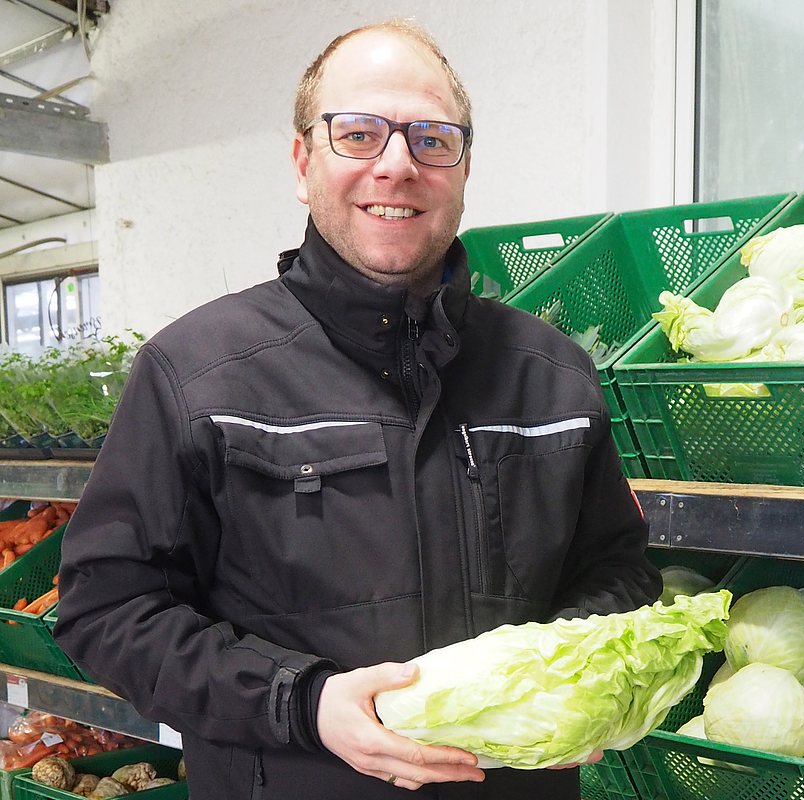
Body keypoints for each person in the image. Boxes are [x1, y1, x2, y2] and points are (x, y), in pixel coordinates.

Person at [53, 18, 661, 800]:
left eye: (431, 139)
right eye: (359, 134)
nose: (397, 165)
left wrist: (569, 679)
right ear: (303, 162)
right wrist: (301, 703)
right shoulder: (197, 375)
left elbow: (619, 571)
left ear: (464, 167)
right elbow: (105, 611)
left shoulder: (553, 376)